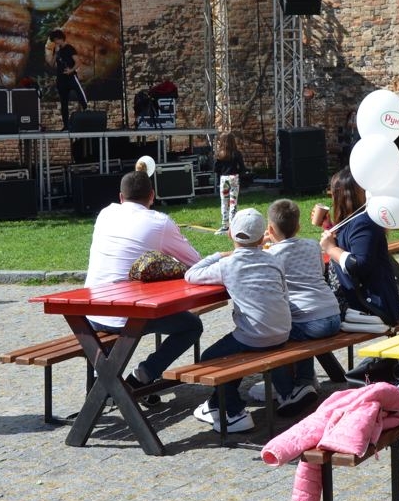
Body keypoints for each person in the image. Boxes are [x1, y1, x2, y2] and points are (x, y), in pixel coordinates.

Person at [85, 170, 203, 388]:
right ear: (152, 195)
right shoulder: (159, 222)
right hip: (126, 316)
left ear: (121, 197)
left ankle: (101, 380)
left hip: (90, 313)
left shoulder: (105, 214)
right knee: (192, 326)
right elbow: (195, 262)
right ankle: (143, 376)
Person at [185, 208, 290, 434]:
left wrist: (218, 255)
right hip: (282, 331)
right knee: (231, 355)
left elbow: (191, 274)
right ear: (263, 237)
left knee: (210, 358)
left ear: (230, 233)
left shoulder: (228, 264)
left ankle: (234, 413)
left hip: (254, 336)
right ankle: (216, 404)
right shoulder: (274, 260)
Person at [244, 199, 341, 414]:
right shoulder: (312, 245)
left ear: (270, 229)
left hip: (310, 321)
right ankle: (305, 380)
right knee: (298, 331)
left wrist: (261, 245)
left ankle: (290, 388)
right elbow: (320, 271)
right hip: (333, 315)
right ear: (298, 226)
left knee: (273, 335)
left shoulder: (271, 255)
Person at [317, 167, 399, 326]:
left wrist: (330, 249)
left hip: (371, 307)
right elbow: (348, 245)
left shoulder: (364, 223)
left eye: (332, 193)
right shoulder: (355, 220)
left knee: (308, 319)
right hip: (357, 303)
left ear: (342, 196)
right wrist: (329, 227)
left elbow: (360, 265)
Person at [47, 29, 88, 129]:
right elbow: (52, 64)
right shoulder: (56, 50)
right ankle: (66, 125)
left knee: (80, 94)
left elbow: (78, 62)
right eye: (54, 41)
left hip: (71, 76)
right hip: (61, 78)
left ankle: (87, 112)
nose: (55, 42)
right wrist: (56, 53)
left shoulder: (69, 48)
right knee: (64, 102)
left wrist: (71, 70)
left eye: (56, 40)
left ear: (60, 38)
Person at [213, 131, 247, 234]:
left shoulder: (220, 154)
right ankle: (233, 225)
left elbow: (216, 169)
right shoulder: (237, 153)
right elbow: (242, 168)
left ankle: (225, 225)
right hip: (234, 178)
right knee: (233, 202)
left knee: (224, 202)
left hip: (224, 179)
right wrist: (238, 173)